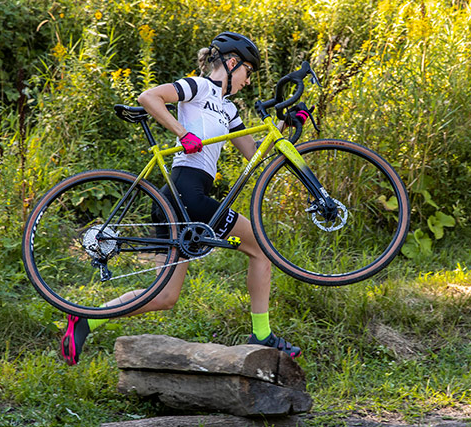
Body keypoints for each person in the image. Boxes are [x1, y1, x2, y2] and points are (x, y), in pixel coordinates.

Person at [60, 32, 304, 365]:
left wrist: (284, 125)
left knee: (164, 296)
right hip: (186, 193)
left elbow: (253, 155)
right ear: (232, 64)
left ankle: (86, 318)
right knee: (261, 248)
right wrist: (182, 132)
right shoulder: (198, 86)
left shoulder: (228, 108)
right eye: (248, 72)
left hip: (179, 200)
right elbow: (150, 97)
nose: (247, 81)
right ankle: (261, 334)